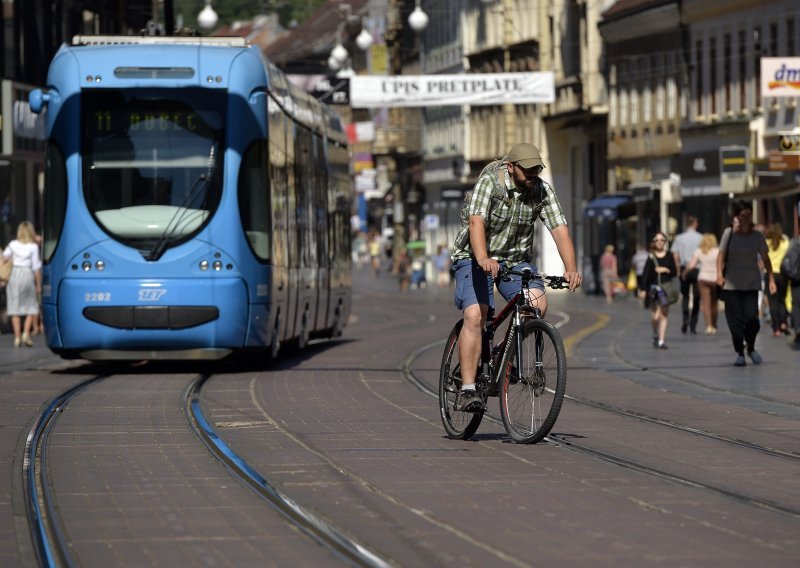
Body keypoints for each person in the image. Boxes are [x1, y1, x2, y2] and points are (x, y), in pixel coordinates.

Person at [449, 142, 582, 412]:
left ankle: (502, 353)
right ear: (511, 168)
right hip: (475, 256)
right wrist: (483, 257)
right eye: (528, 169)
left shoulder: (541, 190)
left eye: (537, 169)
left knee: (537, 305)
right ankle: (467, 389)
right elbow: (476, 222)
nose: (533, 174)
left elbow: (559, 228)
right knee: (476, 315)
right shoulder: (490, 184)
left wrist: (571, 267)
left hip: (515, 261)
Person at [717, 200, 777, 366]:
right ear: (736, 216)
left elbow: (765, 258)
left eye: (749, 215)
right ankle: (740, 353)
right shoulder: (729, 234)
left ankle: (750, 347)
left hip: (751, 284)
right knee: (735, 324)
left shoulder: (757, 236)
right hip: (731, 286)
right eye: (743, 215)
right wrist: (718, 275)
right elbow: (721, 256)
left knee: (752, 320)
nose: (746, 218)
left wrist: (771, 278)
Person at [2, 221, 42, 348]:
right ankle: (26, 333)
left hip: (14, 275)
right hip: (27, 275)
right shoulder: (33, 247)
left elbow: (4, 257)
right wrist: (38, 284)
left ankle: (17, 337)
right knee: (30, 306)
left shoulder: (13, 244)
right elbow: (36, 267)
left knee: (14, 308)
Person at [638, 231, 678, 349]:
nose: (659, 242)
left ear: (665, 242)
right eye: (657, 240)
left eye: (662, 240)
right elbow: (645, 275)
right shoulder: (651, 256)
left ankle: (661, 341)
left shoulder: (670, 255)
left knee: (664, 315)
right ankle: (655, 333)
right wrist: (642, 289)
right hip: (654, 289)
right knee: (655, 316)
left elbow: (675, 272)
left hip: (665, 289)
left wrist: (665, 269)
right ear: (654, 243)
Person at [683, 233, 720, 335]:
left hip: (703, 278)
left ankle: (708, 326)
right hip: (715, 279)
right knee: (714, 303)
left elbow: (691, 265)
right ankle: (714, 324)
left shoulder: (699, 251)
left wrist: (685, 272)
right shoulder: (717, 252)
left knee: (706, 304)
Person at [672, 215, 702, 334]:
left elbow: (675, 255)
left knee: (685, 296)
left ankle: (685, 319)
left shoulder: (679, 238)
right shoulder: (701, 238)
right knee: (696, 297)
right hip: (697, 269)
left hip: (684, 268)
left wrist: (678, 269)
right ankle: (693, 324)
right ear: (695, 224)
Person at [764, 223, 790, 337]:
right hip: (782, 274)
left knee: (772, 301)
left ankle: (776, 328)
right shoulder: (785, 243)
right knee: (782, 299)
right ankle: (784, 322)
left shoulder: (766, 243)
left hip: (770, 275)